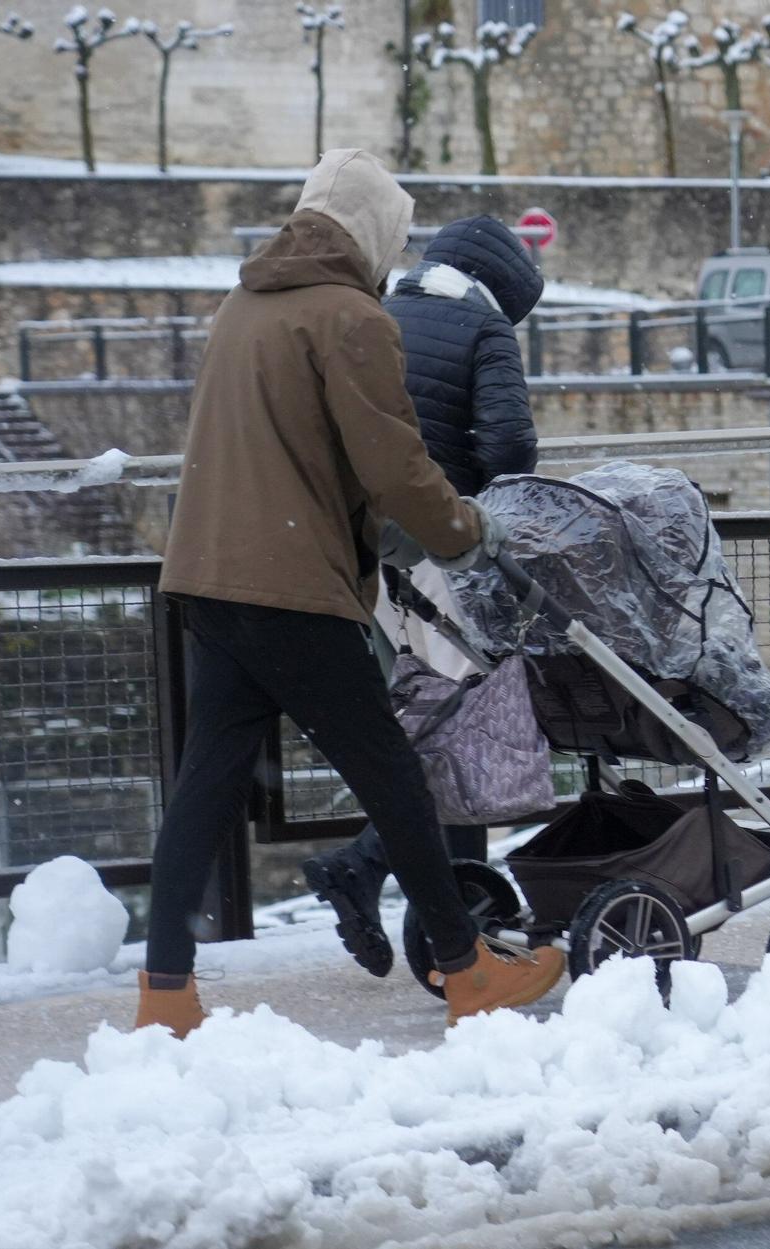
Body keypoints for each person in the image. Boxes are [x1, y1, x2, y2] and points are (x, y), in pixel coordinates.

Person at [136, 150, 564, 1038]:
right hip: (293, 587)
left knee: (206, 787)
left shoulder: (243, 306)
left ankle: (165, 992)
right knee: (394, 776)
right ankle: (465, 965)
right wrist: (469, 533)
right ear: (374, 231)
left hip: (208, 579)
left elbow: (290, 451)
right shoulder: (351, 318)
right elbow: (397, 467)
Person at [299, 213, 545, 978]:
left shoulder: (381, 312)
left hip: (356, 551)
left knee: (407, 720)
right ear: (502, 290)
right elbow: (508, 447)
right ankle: (371, 867)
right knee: (461, 713)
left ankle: (414, 892)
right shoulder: (485, 329)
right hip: (438, 549)